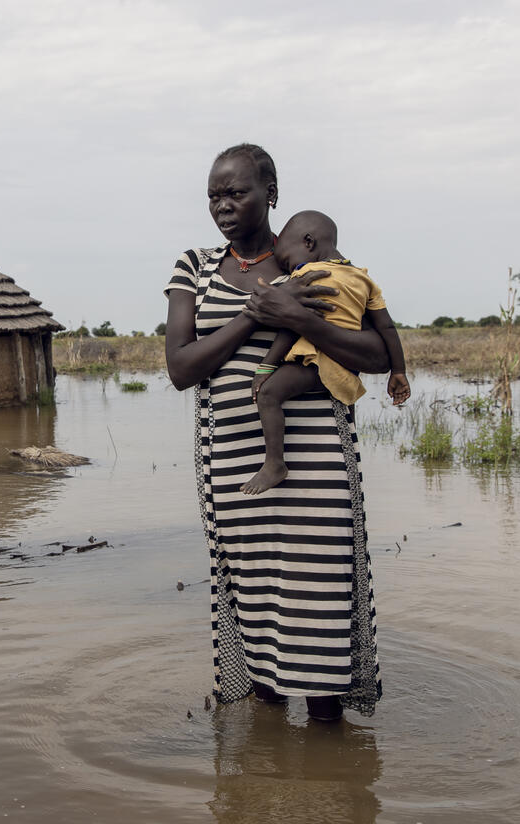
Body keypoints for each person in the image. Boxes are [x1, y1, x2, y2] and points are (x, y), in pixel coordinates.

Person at [164, 143, 384, 722]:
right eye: (214, 195)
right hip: (235, 464)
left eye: (236, 193)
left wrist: (301, 317)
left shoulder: (320, 266)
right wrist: (258, 314)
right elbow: (182, 369)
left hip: (316, 465)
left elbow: (380, 354)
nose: (223, 206)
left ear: (271, 196)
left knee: (319, 614)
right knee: (258, 611)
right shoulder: (195, 266)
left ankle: (329, 772)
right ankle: (269, 771)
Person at [241, 210, 410, 495]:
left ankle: (274, 464)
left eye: (286, 261)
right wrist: (399, 371)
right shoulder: (364, 279)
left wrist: (266, 366)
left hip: (318, 361)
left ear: (308, 243)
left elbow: (293, 326)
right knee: (343, 420)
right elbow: (388, 329)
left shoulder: (308, 275)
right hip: (347, 368)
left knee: (269, 394)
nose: (287, 270)